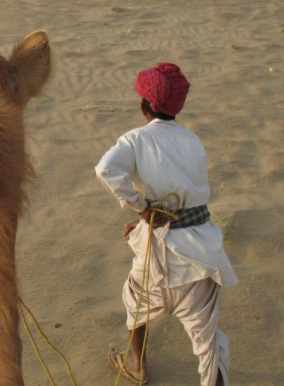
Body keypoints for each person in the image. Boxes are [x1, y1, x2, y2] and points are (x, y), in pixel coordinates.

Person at [95, 62, 238, 386]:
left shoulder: (135, 139)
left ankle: (136, 364)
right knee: (209, 342)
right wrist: (146, 219)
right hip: (200, 252)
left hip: (158, 251)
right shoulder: (192, 141)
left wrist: (141, 208)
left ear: (144, 107)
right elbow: (184, 201)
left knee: (135, 303)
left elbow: (106, 169)